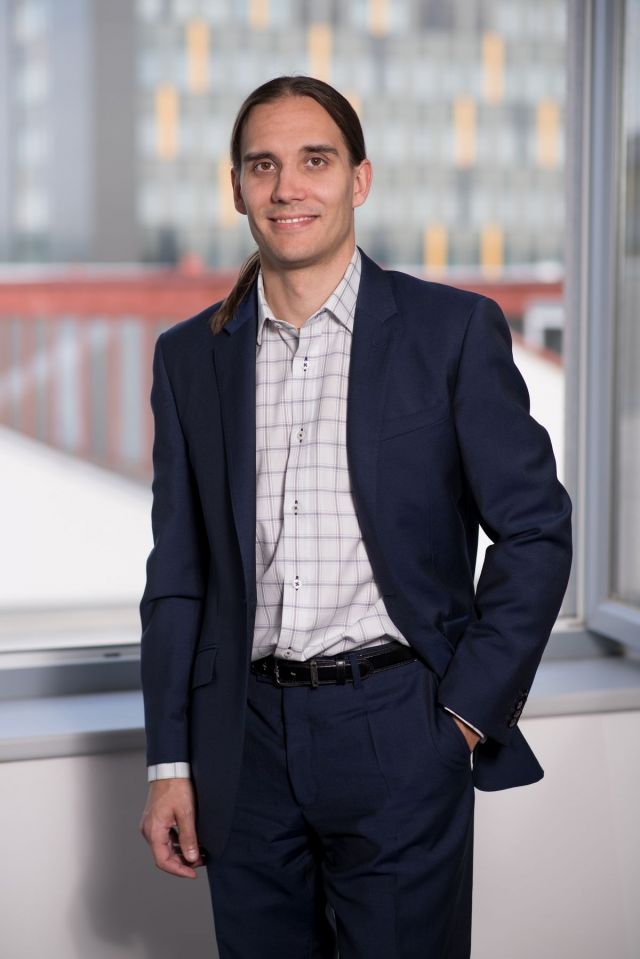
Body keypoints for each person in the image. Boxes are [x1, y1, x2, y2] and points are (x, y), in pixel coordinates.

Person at [139, 75, 572, 958]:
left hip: (398, 729)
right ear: (237, 189)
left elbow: (535, 530)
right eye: (263, 165)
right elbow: (178, 575)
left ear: (359, 179)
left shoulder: (451, 331)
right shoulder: (190, 358)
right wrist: (170, 760)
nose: (287, 187)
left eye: (315, 160)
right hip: (242, 746)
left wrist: (461, 717)